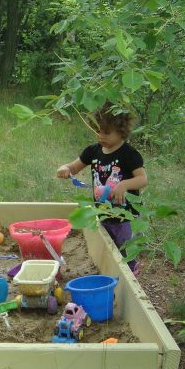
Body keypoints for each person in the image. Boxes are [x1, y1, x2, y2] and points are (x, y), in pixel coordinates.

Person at [56, 102, 147, 274]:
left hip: (127, 216)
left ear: (121, 131)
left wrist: (124, 185)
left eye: (106, 132)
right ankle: (113, 273)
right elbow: (74, 167)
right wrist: (65, 168)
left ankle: (130, 275)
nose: (100, 136)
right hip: (104, 213)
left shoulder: (129, 154)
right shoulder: (93, 151)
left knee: (126, 250)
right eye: (98, 131)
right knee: (110, 248)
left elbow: (142, 179)